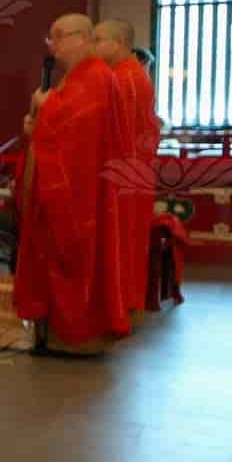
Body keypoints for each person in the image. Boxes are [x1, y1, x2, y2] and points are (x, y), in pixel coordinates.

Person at [14, 13, 134, 353]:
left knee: (77, 263)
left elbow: (76, 132)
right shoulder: (77, 77)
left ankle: (77, 337)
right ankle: (55, 333)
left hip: (81, 194)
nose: (51, 45)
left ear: (82, 38)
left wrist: (45, 107)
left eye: (58, 36)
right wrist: (36, 121)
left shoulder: (95, 77)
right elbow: (56, 123)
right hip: (72, 189)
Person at [97, 19, 160, 314]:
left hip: (123, 174)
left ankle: (118, 305)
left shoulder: (123, 79)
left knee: (121, 243)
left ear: (119, 43)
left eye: (99, 40)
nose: (93, 47)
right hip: (134, 173)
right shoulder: (135, 74)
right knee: (130, 243)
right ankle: (126, 303)